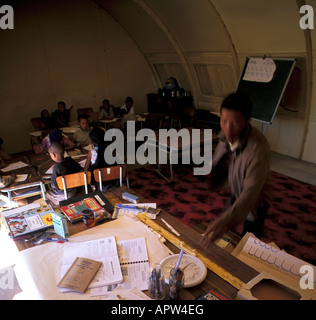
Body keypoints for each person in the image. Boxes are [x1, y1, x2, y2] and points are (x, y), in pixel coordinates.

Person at [201, 92, 273, 245]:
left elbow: (249, 195)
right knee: (229, 219)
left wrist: (225, 221)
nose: (227, 129)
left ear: (247, 121)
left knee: (250, 239)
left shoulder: (258, 149)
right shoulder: (225, 135)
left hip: (256, 199)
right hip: (237, 185)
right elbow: (220, 157)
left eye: (234, 123)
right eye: (224, 121)